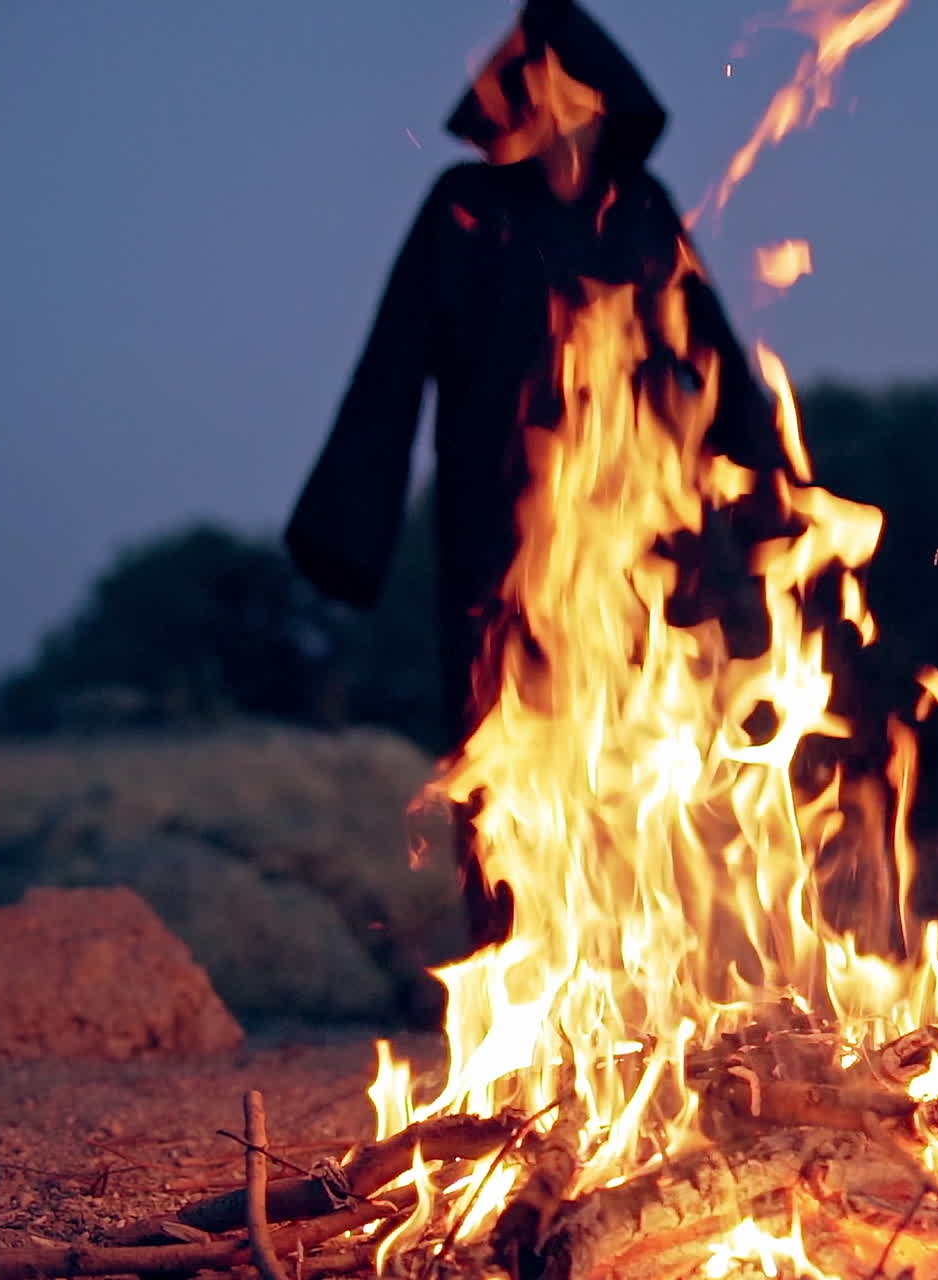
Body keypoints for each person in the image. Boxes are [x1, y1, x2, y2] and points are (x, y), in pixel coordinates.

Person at [285, 0, 799, 946]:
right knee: (503, 756)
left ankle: (644, 986)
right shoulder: (462, 209)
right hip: (497, 540)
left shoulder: (642, 213)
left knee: (638, 758)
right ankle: (515, 978)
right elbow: (394, 363)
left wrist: (772, 501)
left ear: (605, 105)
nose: (559, 119)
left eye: (575, 102)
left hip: (645, 551)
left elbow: (713, 362)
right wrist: (346, 530)